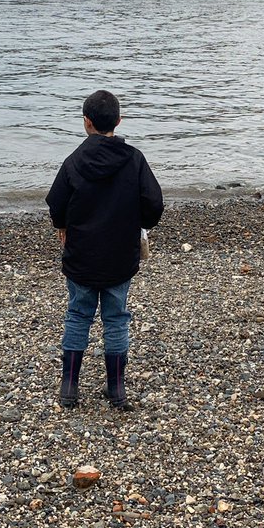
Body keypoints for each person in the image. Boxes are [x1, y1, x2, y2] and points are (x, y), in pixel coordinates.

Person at [46, 90, 164, 411]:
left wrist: (62, 225)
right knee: (116, 319)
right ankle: (116, 390)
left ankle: (69, 387)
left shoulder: (73, 162)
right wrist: (140, 224)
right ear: (119, 121)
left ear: (86, 123)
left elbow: (56, 201)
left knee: (78, 314)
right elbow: (154, 203)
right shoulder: (134, 160)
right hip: (119, 256)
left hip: (81, 255)